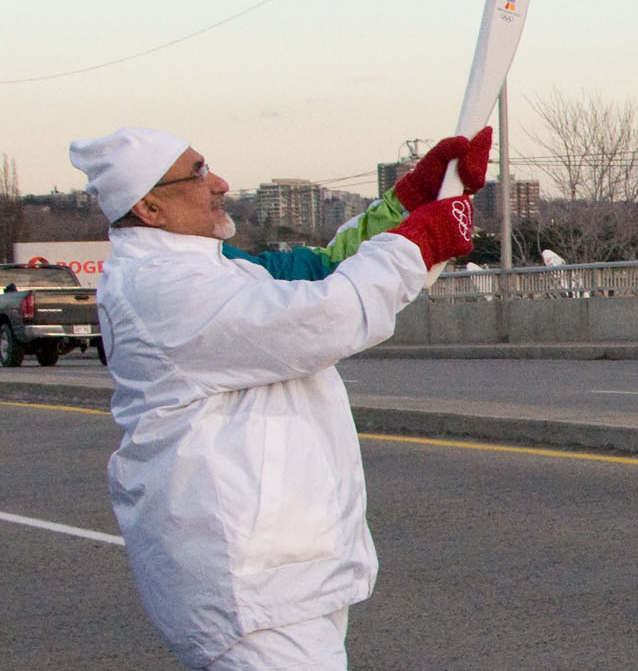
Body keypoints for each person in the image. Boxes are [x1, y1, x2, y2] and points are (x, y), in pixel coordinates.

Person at [69, 126, 492, 671]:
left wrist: (412, 201)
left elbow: (321, 270)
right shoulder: (163, 288)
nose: (219, 182)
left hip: (285, 571)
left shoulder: (214, 267)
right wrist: (419, 240)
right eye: (197, 173)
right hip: (245, 583)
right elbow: (324, 315)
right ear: (149, 206)